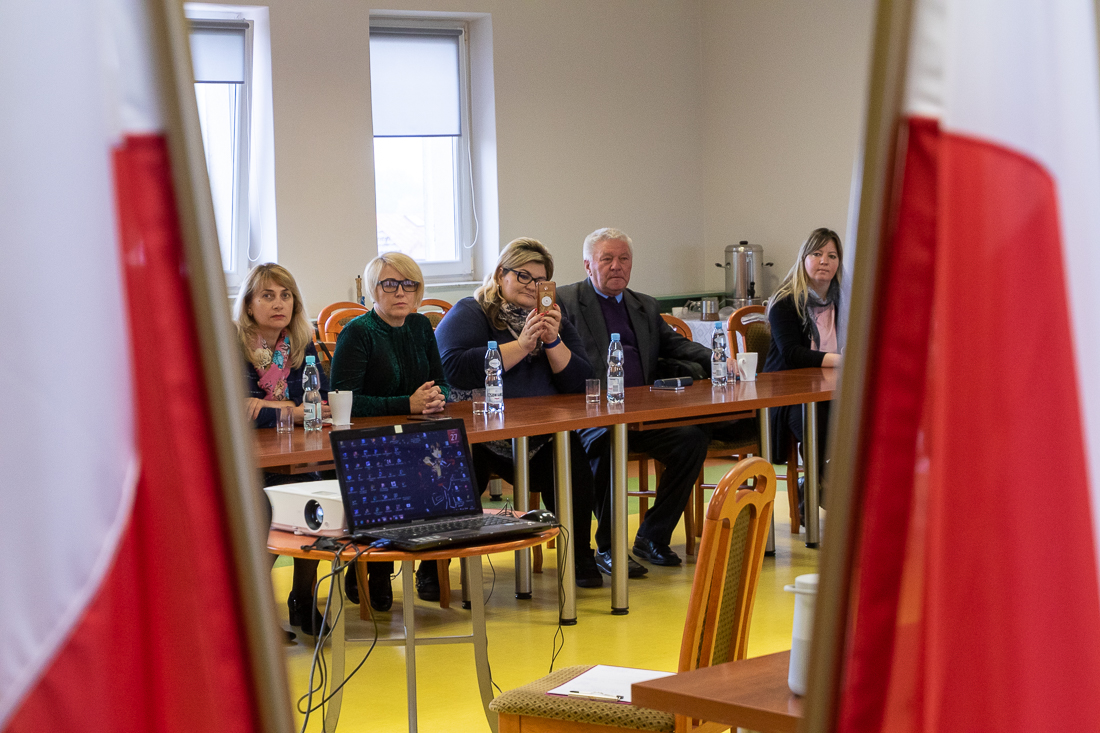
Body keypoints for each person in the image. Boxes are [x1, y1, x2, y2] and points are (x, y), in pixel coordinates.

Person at [434, 238, 602, 588]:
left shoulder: (554, 317)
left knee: (572, 461)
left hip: (537, 437)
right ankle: (432, 568)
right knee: (455, 472)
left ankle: (580, 555)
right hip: (481, 436)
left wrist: (553, 341)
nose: (532, 286)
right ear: (501, 275)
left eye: (540, 280)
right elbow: (454, 367)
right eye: (524, 276)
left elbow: (580, 382)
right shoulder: (472, 311)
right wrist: (523, 345)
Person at [558, 227, 714, 575]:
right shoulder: (565, 302)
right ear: (588, 265)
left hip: (641, 413)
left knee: (691, 439)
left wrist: (718, 358)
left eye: (624, 259)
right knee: (609, 443)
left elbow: (676, 346)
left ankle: (653, 535)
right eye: (607, 259)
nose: (617, 266)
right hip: (589, 415)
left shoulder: (644, 304)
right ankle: (609, 547)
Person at [329, 252, 449, 610]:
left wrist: (436, 397)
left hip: (416, 432)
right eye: (390, 284)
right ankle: (375, 568)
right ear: (373, 289)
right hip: (366, 440)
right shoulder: (357, 332)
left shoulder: (421, 327)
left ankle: (431, 564)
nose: (400, 292)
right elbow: (344, 401)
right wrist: (406, 404)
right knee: (392, 472)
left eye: (409, 284)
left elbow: (441, 380)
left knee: (449, 467)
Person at [235, 263, 332, 638]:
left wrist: (273, 408)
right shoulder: (235, 346)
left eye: (285, 295)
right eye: (267, 296)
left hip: (296, 456)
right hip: (246, 462)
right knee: (278, 502)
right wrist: (291, 411)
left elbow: (320, 405)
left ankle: (304, 599)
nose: (279, 304)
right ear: (249, 305)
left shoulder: (300, 345)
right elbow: (239, 412)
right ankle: (253, 613)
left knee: (318, 494)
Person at [763, 227, 843, 509]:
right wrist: (841, 360)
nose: (824, 261)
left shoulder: (846, 302)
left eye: (832, 256)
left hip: (832, 390)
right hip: (789, 394)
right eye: (817, 253)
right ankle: (819, 487)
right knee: (817, 420)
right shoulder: (785, 301)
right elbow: (792, 354)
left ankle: (813, 486)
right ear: (803, 259)